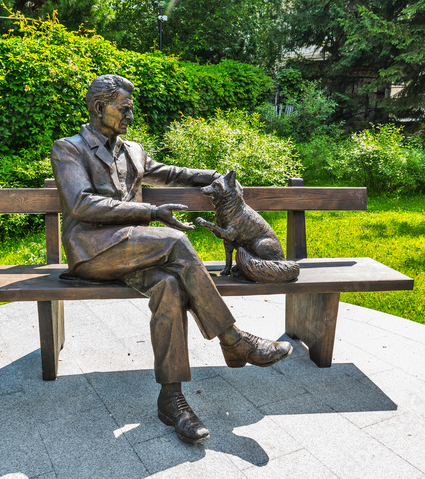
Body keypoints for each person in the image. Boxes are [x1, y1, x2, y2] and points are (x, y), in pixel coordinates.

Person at [51, 74, 292, 445]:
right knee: (177, 240)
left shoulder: (132, 150)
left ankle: (172, 399)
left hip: (136, 252)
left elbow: (172, 173)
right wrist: (150, 213)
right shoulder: (69, 148)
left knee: (169, 286)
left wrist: (215, 176)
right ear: (100, 107)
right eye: (124, 108)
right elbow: (81, 203)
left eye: (131, 108)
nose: (131, 115)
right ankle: (232, 339)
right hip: (93, 252)